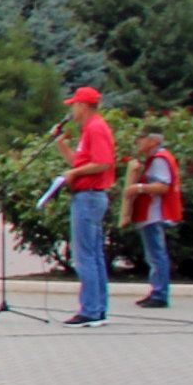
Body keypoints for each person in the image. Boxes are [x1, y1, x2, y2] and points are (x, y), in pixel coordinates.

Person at [55, 85, 117, 327]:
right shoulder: (89, 130)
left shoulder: (96, 128)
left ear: (83, 105)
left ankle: (90, 310)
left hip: (89, 196)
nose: (72, 110)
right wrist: (61, 145)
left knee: (85, 256)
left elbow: (103, 163)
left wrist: (75, 173)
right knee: (93, 255)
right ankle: (97, 308)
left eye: (74, 105)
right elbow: (79, 161)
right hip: (88, 195)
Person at [124, 128, 184, 310]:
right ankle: (157, 290)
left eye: (141, 138)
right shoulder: (156, 158)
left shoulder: (159, 159)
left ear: (152, 141)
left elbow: (163, 186)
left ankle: (160, 293)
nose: (138, 142)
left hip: (153, 213)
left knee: (156, 254)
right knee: (154, 254)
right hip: (151, 213)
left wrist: (139, 188)